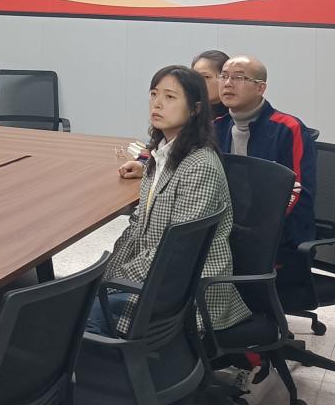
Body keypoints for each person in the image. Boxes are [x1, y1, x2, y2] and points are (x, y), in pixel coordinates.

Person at [90, 65, 250, 336]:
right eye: (154, 94)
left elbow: (176, 250)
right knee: (78, 306)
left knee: (81, 319)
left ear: (195, 109)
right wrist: (103, 277)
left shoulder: (199, 165)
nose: (157, 103)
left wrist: (113, 281)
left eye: (170, 97)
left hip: (186, 289)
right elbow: (138, 228)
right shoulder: (160, 155)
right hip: (158, 276)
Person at [213, 56, 317, 302]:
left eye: (238, 77)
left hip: (279, 241)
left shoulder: (288, 128)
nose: (228, 83)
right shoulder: (215, 127)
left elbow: (298, 191)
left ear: (260, 88)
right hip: (228, 235)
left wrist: (258, 231)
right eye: (224, 76)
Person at [192, 48, 230, 119]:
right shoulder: (190, 112)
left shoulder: (236, 114)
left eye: (206, 77)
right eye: (194, 77)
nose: (197, 82)